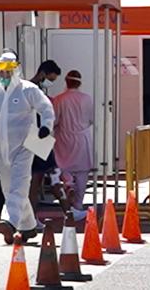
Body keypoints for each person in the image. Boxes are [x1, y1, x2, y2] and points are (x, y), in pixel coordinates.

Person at [0, 51, 55, 244]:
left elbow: (46, 108)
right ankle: (28, 226)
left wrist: (46, 127)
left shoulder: (28, 89)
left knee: (20, 183)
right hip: (1, 146)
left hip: (25, 145)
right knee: (9, 187)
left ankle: (8, 221)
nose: (5, 76)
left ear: (16, 70)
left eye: (9, 72)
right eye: (2, 72)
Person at [51, 69, 95, 221]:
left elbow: (54, 121)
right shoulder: (87, 99)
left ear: (66, 82)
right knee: (82, 173)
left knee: (64, 167)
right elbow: (91, 120)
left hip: (63, 138)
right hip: (82, 139)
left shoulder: (59, 99)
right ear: (79, 83)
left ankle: (68, 184)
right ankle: (78, 205)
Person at [26, 60, 62, 207]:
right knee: (47, 175)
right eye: (50, 79)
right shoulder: (31, 90)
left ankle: (33, 217)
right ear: (42, 74)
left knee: (38, 178)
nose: (50, 83)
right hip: (36, 137)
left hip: (37, 136)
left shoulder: (34, 89)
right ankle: (69, 212)